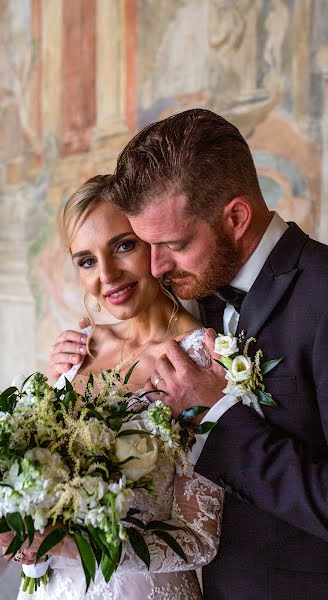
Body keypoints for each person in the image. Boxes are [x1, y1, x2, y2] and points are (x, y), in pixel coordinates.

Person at [56, 109, 328, 599]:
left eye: (171, 244)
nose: (155, 267)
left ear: (236, 217)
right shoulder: (206, 293)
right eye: (147, 245)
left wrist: (217, 412)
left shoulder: (323, 296)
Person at [0, 174, 223, 600]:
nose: (108, 275)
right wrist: (27, 530)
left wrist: (84, 547)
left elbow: (200, 538)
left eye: (123, 246)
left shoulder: (202, 361)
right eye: (86, 261)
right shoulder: (77, 349)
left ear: (154, 244)